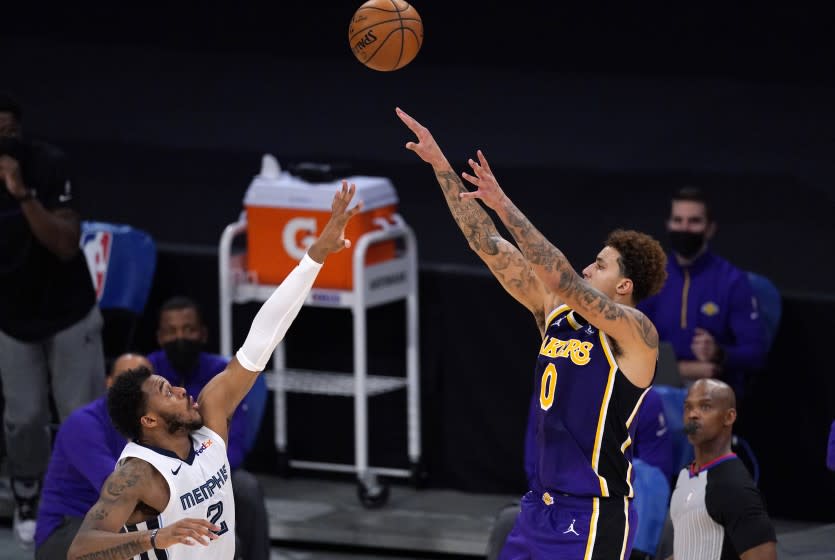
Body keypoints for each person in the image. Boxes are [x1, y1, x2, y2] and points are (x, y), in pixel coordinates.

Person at [397, 107, 668, 559]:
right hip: (538, 509)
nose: (588, 267)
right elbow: (486, 245)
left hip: (593, 516)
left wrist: (502, 203)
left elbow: (561, 275)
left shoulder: (637, 333)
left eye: (599, 265)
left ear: (624, 286)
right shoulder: (556, 314)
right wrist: (441, 166)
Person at [67, 182, 360, 560]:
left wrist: (316, 255)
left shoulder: (210, 419)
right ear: (149, 420)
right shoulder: (137, 475)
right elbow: (79, 550)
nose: (180, 390)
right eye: (166, 391)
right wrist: (155, 539)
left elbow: (263, 338)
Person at [0, 92, 105, 548]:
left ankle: (91, 501)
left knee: (81, 416)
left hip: (68, 312)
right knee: (24, 419)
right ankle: (28, 493)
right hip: (12, 318)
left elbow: (64, 243)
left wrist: (22, 194)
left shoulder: (49, 165)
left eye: (10, 131)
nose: (5, 140)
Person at [485, 387, 674, 560]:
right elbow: (536, 464)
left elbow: (655, 473)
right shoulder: (549, 392)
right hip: (559, 500)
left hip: (618, 501)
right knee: (508, 521)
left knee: (642, 472)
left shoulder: (645, 397)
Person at [149, 295, 270, 560]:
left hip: (214, 468)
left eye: (188, 329)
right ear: (159, 336)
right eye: (171, 331)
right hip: (162, 474)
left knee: (247, 488)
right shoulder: (147, 376)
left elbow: (235, 446)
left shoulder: (221, 375)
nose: (180, 337)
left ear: (203, 334)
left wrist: (197, 475)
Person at [638, 187, 768, 403]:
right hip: (654, 383)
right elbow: (629, 340)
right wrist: (686, 369)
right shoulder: (652, 276)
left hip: (710, 393)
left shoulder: (732, 281)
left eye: (694, 221)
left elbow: (756, 353)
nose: (684, 228)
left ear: (709, 229)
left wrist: (719, 353)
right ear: (668, 224)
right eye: (678, 220)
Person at [35, 353, 151, 560]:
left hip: (116, 521)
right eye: (124, 381)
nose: (133, 391)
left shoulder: (151, 423)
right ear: (109, 383)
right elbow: (117, 490)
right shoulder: (83, 424)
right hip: (69, 526)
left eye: (143, 383)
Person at [669, 379, 776, 559]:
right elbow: (689, 549)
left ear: (729, 417)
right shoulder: (685, 475)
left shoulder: (735, 487)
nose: (693, 414)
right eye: (688, 407)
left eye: (705, 407)